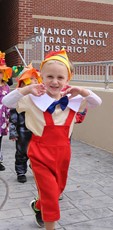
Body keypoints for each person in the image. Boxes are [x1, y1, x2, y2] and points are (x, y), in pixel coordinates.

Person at [2, 49, 102, 230]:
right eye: (49, 76)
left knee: (56, 192)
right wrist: (26, 89)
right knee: (49, 194)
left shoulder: (74, 99)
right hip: (40, 153)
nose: (54, 81)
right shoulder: (33, 99)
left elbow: (97, 102)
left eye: (60, 77)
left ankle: (37, 206)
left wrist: (83, 91)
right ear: (42, 77)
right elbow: (7, 102)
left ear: (67, 80)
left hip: (63, 154)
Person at [9, 64, 42, 183]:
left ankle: (35, 166)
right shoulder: (19, 99)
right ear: (23, 83)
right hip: (22, 130)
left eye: (35, 78)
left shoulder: (39, 97)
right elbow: (13, 115)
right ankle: (20, 171)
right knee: (22, 152)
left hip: (36, 130)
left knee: (37, 152)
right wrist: (13, 131)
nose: (33, 81)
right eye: (30, 79)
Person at [0, 51, 12, 171]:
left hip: (2, 118)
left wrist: (8, 118)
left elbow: (8, 103)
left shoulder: (6, 87)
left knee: (0, 140)